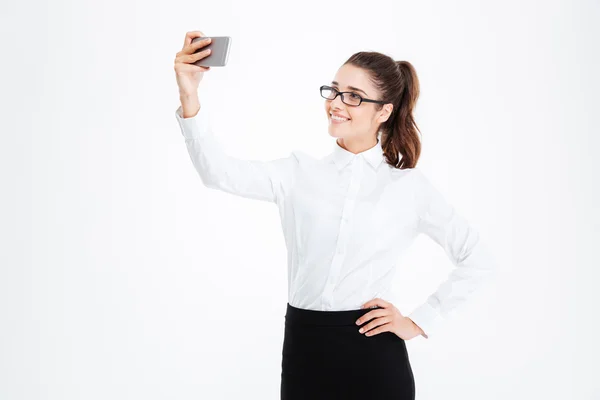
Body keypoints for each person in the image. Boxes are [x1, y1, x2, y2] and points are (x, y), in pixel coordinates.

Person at [173, 30, 496, 400]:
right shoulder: (296, 173)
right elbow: (217, 173)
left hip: (375, 359)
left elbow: (478, 259)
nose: (337, 104)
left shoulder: (409, 188)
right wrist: (189, 93)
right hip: (305, 352)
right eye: (335, 90)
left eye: (354, 97)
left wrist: (419, 320)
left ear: (384, 111)